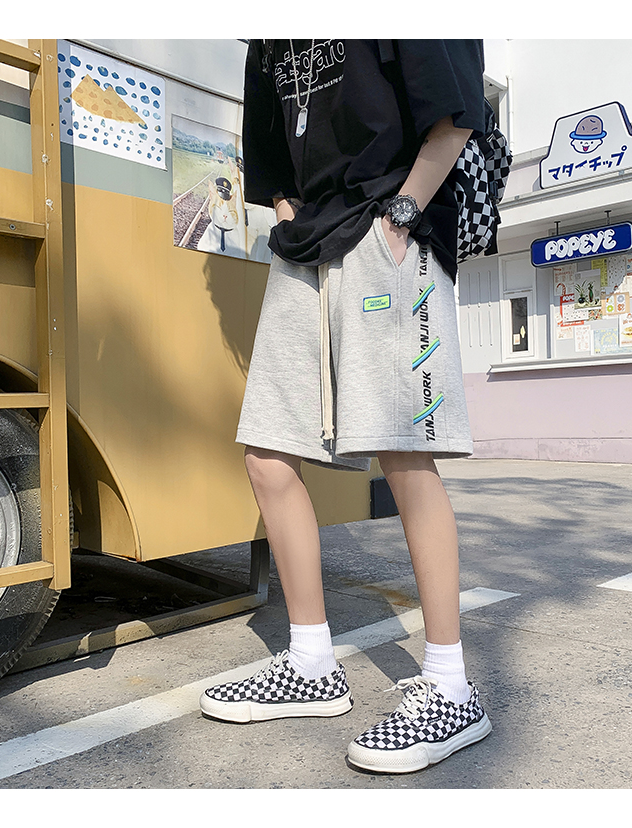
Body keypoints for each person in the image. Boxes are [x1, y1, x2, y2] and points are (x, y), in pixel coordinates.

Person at [200, 39, 491, 774]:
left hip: (390, 226)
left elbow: (456, 111)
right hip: (305, 246)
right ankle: (311, 663)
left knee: (404, 453)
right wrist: (291, 218)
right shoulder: (269, 38)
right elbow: (271, 161)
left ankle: (451, 686)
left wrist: (401, 215)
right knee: (268, 452)